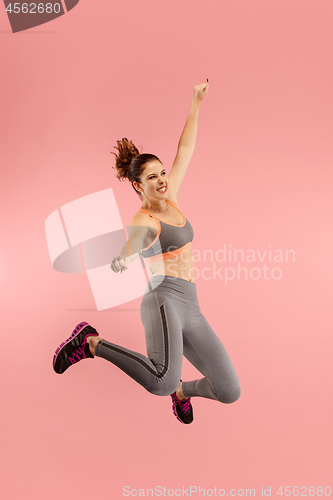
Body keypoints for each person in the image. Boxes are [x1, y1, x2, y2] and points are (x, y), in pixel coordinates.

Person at [53, 80, 241, 424]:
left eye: (162, 172)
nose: (162, 179)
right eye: (152, 177)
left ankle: (182, 393)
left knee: (229, 390)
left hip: (192, 306)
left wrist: (196, 104)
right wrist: (125, 256)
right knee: (160, 381)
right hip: (163, 299)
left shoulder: (171, 199)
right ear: (138, 185)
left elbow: (185, 149)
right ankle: (91, 342)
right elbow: (136, 239)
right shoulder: (144, 217)